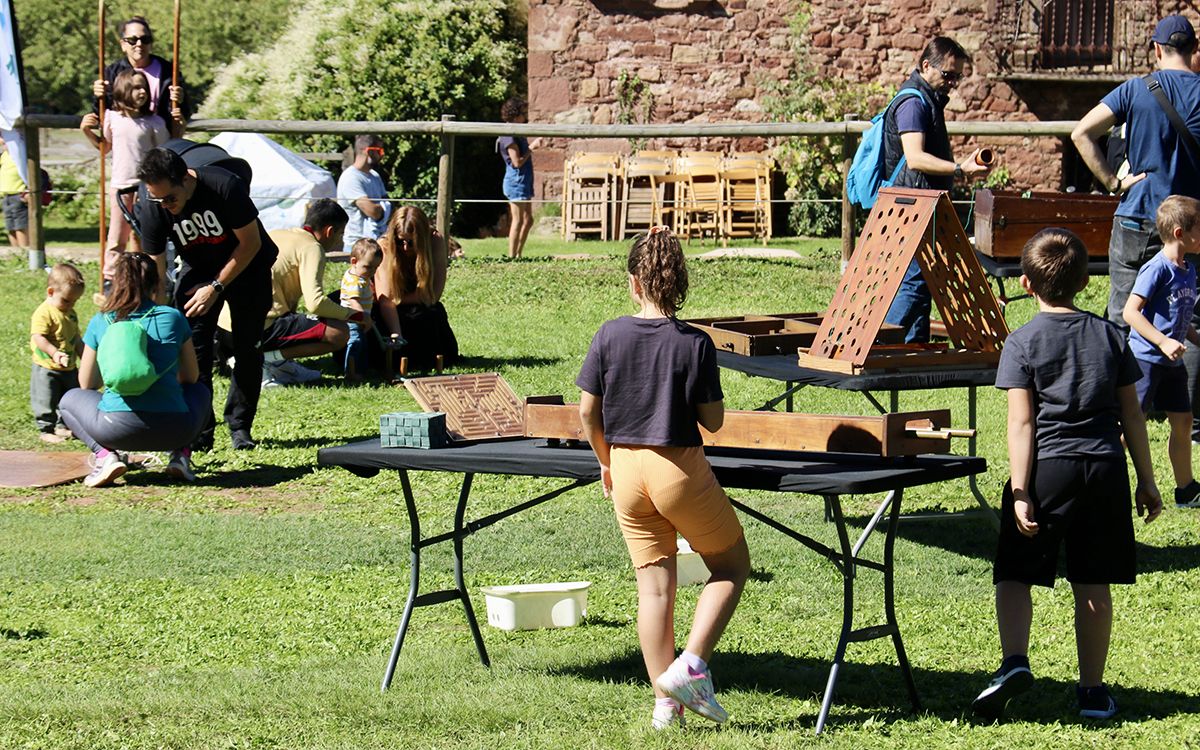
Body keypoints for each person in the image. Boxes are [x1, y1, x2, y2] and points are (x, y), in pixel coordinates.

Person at [971, 228, 1162, 722]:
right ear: (1085, 282)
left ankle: (1014, 661)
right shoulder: (1110, 335)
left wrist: (1019, 491)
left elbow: (1021, 422)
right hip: (1103, 469)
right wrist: (1147, 478)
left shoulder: (1022, 342)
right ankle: (1093, 693)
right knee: (1093, 583)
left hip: (1047, 469)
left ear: (1028, 285)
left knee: (1016, 573)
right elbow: (1132, 416)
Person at [577, 227, 751, 730]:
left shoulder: (609, 334)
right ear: (680, 284)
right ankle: (691, 667)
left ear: (634, 283)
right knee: (732, 565)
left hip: (627, 470)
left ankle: (663, 707)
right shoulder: (694, 342)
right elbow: (713, 421)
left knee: (654, 592)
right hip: (677, 469)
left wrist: (606, 461)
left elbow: (589, 414)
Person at [135, 146, 277, 451]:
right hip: (198, 269)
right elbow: (156, 274)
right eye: (157, 199)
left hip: (247, 267)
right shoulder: (153, 206)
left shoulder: (225, 186)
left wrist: (216, 287)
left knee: (248, 348)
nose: (165, 206)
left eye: (170, 198)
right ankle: (200, 431)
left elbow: (250, 244)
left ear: (186, 179)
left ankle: (240, 427)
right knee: (193, 352)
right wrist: (158, 320)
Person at [1071, 15, 1200, 339]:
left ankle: (1126, 390)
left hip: (1138, 216)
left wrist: (1113, 182)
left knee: (1124, 317)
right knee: (1190, 320)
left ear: (1157, 49)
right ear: (1195, 48)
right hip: (1192, 223)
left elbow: (1081, 133)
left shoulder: (1135, 89)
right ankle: (1185, 391)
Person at [59, 253, 208, 487]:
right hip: (176, 429)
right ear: (155, 282)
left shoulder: (102, 320)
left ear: (116, 283)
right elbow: (191, 377)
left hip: (115, 429)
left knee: (69, 400)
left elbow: (87, 383)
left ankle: (105, 456)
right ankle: (181, 456)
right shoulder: (173, 318)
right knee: (200, 391)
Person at [880, 36, 991, 342]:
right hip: (910, 206)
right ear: (927, 66)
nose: (953, 82)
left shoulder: (927, 99)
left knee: (923, 280)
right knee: (914, 280)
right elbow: (915, 158)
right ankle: (882, 346)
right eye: (948, 75)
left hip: (920, 205)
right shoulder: (914, 102)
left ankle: (913, 349)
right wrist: (959, 168)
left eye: (958, 76)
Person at [215, 199, 355, 388]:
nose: (341, 241)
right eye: (341, 234)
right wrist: (352, 315)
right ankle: (262, 361)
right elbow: (315, 303)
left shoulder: (278, 233)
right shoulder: (312, 248)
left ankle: (276, 362)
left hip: (225, 327)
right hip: (256, 329)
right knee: (338, 332)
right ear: (329, 231)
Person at [1122, 195, 1200, 507]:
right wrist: (1163, 341)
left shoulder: (1188, 269)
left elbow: (1180, 316)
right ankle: (1103, 480)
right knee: (1130, 426)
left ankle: (1186, 489)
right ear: (1181, 233)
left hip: (1171, 364)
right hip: (1145, 360)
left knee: (1182, 421)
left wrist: (1193, 337)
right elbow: (1131, 312)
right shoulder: (1157, 269)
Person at [80, 68, 170, 289]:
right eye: (136, 87)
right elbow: (105, 147)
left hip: (146, 187)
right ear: (123, 89)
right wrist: (87, 131)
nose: (142, 92)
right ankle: (111, 280)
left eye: (144, 88)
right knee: (117, 237)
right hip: (121, 185)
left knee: (142, 235)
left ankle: (142, 278)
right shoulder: (112, 117)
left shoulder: (154, 122)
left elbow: (164, 150)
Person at [374, 205, 458, 371]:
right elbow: (385, 300)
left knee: (428, 315)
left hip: (420, 306)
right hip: (389, 311)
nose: (405, 248)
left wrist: (398, 299)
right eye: (400, 242)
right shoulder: (384, 245)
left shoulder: (435, 241)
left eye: (411, 242)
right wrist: (396, 335)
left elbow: (432, 295)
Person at [92, 15, 188, 137]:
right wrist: (98, 96)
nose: (139, 44)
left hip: (163, 141)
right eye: (132, 40)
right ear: (123, 44)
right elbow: (102, 113)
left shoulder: (170, 72)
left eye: (145, 39)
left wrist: (180, 100)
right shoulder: (112, 72)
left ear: (151, 43)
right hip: (127, 141)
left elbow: (184, 113)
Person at [29, 263, 85, 443]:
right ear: (51, 292)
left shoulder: (70, 313)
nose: (70, 305)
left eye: (75, 301)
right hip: (47, 367)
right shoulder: (44, 313)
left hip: (68, 367)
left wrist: (84, 354)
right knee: (46, 398)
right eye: (67, 301)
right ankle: (46, 429)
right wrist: (54, 353)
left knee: (69, 397)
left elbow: (75, 337)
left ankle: (63, 426)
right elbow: (39, 337)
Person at [497, 98, 541, 259]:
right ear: (515, 115)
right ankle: (511, 257)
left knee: (528, 220)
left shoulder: (517, 132)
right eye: (522, 113)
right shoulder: (508, 135)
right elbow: (516, 162)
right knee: (518, 220)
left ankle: (518, 255)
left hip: (524, 180)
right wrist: (532, 148)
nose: (525, 116)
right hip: (516, 181)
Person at [337, 135, 391, 253]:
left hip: (378, 242)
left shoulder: (375, 176)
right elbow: (373, 211)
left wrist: (383, 208)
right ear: (369, 151)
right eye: (380, 151)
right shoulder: (351, 177)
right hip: (357, 246)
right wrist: (383, 207)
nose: (382, 155)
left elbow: (389, 206)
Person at [341, 238, 384, 383]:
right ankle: (350, 372)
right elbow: (354, 301)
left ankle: (361, 369)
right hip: (352, 319)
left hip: (358, 319)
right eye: (368, 267)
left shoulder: (359, 275)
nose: (371, 271)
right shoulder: (355, 281)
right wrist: (364, 317)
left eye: (375, 268)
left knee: (363, 344)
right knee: (355, 342)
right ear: (354, 262)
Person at [0, 140, 29, 249]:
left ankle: (24, 250)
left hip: (19, 195)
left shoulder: (20, 155)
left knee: (20, 225)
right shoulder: (4, 156)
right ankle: (15, 251)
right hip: (6, 196)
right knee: (10, 226)